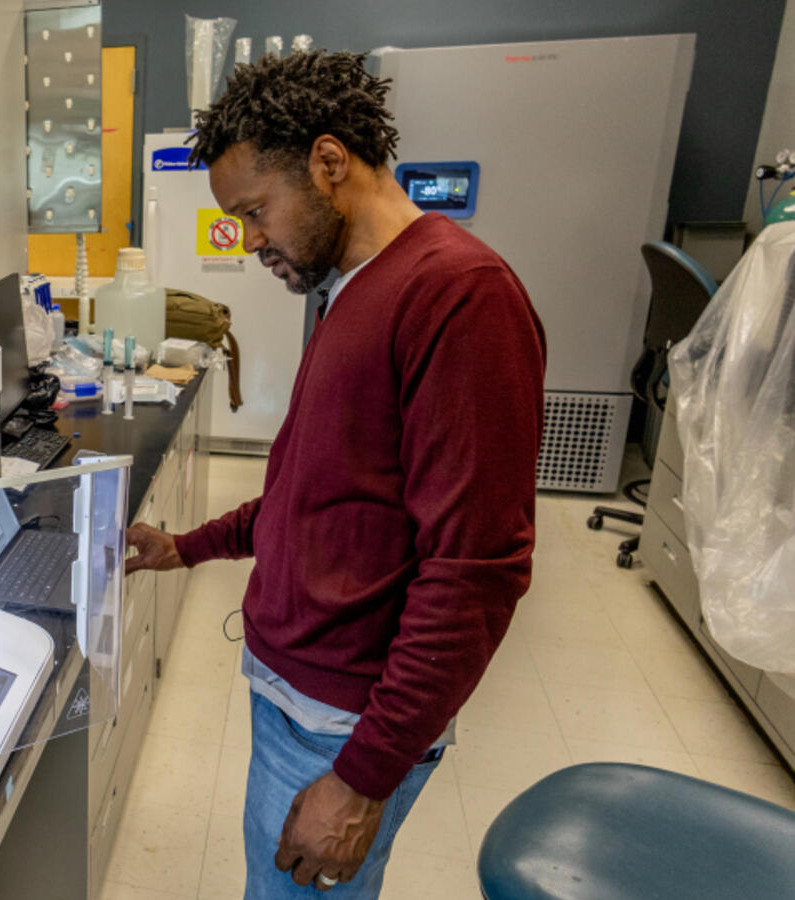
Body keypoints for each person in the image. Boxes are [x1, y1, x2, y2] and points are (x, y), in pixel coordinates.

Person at [125, 51, 546, 897]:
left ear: (327, 162)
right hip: (298, 698)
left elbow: (476, 573)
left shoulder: (461, 297)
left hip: (343, 726)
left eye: (255, 212)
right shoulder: (354, 288)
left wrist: (361, 780)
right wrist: (188, 546)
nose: (248, 242)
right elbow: (313, 492)